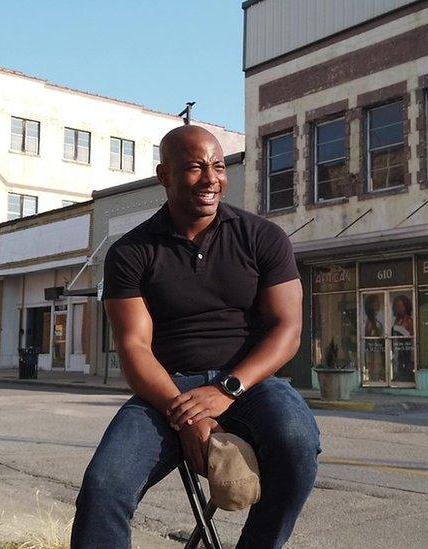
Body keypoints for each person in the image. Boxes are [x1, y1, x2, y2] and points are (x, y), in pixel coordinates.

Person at [71, 125, 320, 549]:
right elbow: (134, 347)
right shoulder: (131, 252)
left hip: (251, 384)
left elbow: (287, 330)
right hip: (168, 389)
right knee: (103, 486)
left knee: (297, 441)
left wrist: (228, 388)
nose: (211, 179)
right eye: (194, 167)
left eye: (219, 167)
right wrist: (185, 413)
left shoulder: (262, 237)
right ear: (163, 175)